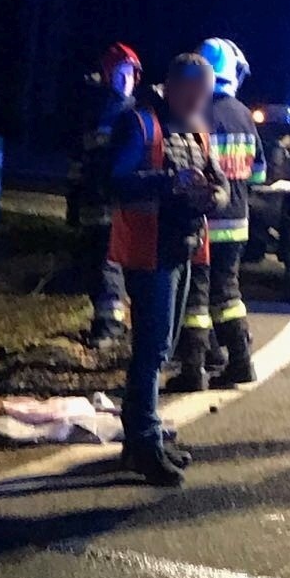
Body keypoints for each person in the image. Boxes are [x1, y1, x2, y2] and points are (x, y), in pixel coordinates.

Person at [110, 53, 229, 485]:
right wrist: (170, 183)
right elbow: (114, 180)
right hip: (150, 250)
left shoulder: (197, 127)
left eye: (206, 95)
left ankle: (145, 435)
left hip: (183, 247)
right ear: (174, 86)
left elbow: (219, 184)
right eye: (196, 94)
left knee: (165, 345)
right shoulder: (140, 123)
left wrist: (210, 198)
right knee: (152, 347)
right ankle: (143, 441)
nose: (201, 102)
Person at [166, 38, 266, 391]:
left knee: (196, 298)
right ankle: (240, 360)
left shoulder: (197, 112)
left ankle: (193, 371)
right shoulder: (243, 114)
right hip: (238, 222)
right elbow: (259, 174)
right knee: (228, 294)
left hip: (206, 220)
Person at [67, 42, 142, 349]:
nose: (125, 79)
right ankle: (109, 322)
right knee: (95, 263)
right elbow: (79, 160)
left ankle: (109, 328)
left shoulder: (135, 113)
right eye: (119, 73)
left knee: (108, 263)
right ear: (107, 75)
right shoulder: (95, 112)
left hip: (119, 203)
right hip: (93, 202)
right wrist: (73, 200)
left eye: (130, 73)